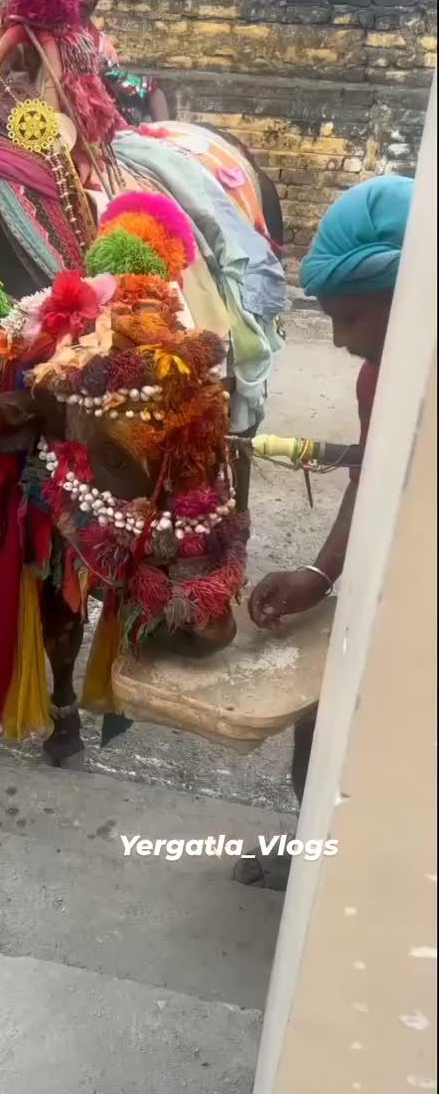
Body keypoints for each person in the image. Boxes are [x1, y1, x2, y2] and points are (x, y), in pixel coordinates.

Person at [236, 174, 414, 891]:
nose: (338, 342)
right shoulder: (384, 377)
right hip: (390, 588)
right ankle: (320, 856)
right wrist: (321, 573)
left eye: (349, 318)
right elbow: (371, 475)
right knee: (322, 727)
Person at [64, 0, 169, 125]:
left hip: (95, 130)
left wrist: (103, 74)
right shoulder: (48, 33)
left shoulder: (103, 48)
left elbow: (143, 89)